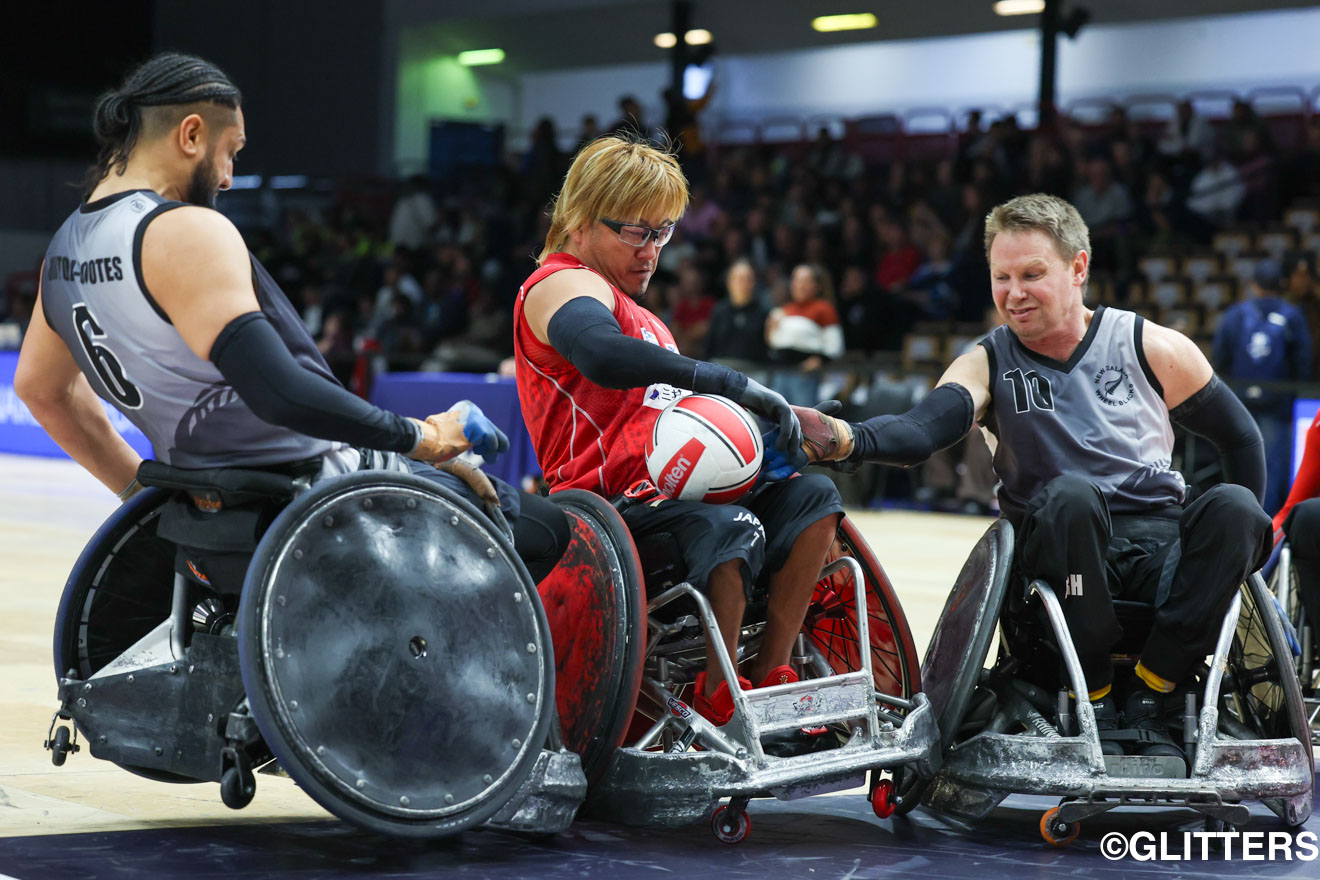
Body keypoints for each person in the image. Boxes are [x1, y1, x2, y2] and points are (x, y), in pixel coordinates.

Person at [15, 52, 568, 599]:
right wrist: (421, 438)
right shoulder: (180, 230)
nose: (229, 178)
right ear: (190, 135)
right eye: (230, 152)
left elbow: (40, 390)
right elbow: (280, 394)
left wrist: (140, 491)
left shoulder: (64, 251)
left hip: (210, 513)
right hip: (313, 500)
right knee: (551, 532)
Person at [788, 193, 1271, 766]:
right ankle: (1092, 689)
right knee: (1071, 496)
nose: (1014, 293)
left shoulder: (1152, 346)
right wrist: (848, 438)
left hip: (1158, 545)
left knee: (1239, 508)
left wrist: (1236, 562)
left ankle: (1156, 685)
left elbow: (1242, 440)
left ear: (1079, 268)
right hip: (1057, 544)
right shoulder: (988, 360)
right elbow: (924, 430)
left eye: (1032, 275)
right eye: (1002, 277)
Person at [512, 135, 843, 727]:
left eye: (662, 234)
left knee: (814, 497)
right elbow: (599, 354)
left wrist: (775, 434)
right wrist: (727, 381)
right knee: (731, 525)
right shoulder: (558, 283)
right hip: (606, 507)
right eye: (637, 232)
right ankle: (720, 696)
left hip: (675, 491)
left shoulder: (640, 311)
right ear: (581, 221)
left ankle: (771, 677)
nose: (652, 251)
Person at [1212, 258, 1311, 515]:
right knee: (1273, 467)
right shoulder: (1293, 314)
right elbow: (1303, 361)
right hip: (1277, 404)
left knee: (1237, 460)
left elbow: (1220, 357)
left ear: (1254, 284)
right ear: (1281, 285)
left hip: (1238, 402)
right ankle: (1269, 527)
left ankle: (1237, 520)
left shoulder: (1235, 314)